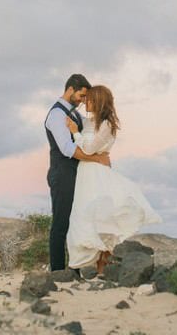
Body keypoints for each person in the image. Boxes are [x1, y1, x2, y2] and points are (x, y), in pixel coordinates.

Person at [65, 85, 161, 274]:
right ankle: (85, 265)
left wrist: (75, 132)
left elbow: (89, 149)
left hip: (96, 173)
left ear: (99, 101)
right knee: (82, 216)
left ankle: (102, 266)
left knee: (102, 216)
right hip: (85, 173)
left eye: (90, 99)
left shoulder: (107, 125)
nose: (86, 102)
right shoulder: (90, 122)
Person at [44, 74, 111, 272]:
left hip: (77, 174)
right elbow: (67, 148)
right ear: (71, 89)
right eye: (82, 96)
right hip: (62, 173)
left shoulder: (74, 114)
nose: (83, 101)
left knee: (77, 222)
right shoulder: (57, 115)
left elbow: (91, 129)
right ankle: (57, 272)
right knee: (61, 223)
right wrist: (97, 159)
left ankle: (74, 270)